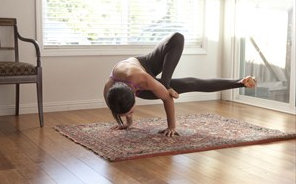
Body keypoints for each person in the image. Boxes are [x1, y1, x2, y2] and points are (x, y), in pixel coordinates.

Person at [103, 32, 256, 137]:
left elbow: (167, 99)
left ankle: (166, 83)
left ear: (133, 96)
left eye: (130, 112)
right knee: (190, 84)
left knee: (177, 38)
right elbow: (123, 107)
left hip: (144, 64)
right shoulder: (109, 92)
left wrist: (171, 126)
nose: (130, 114)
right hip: (135, 80)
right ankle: (240, 83)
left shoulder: (143, 79)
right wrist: (128, 123)